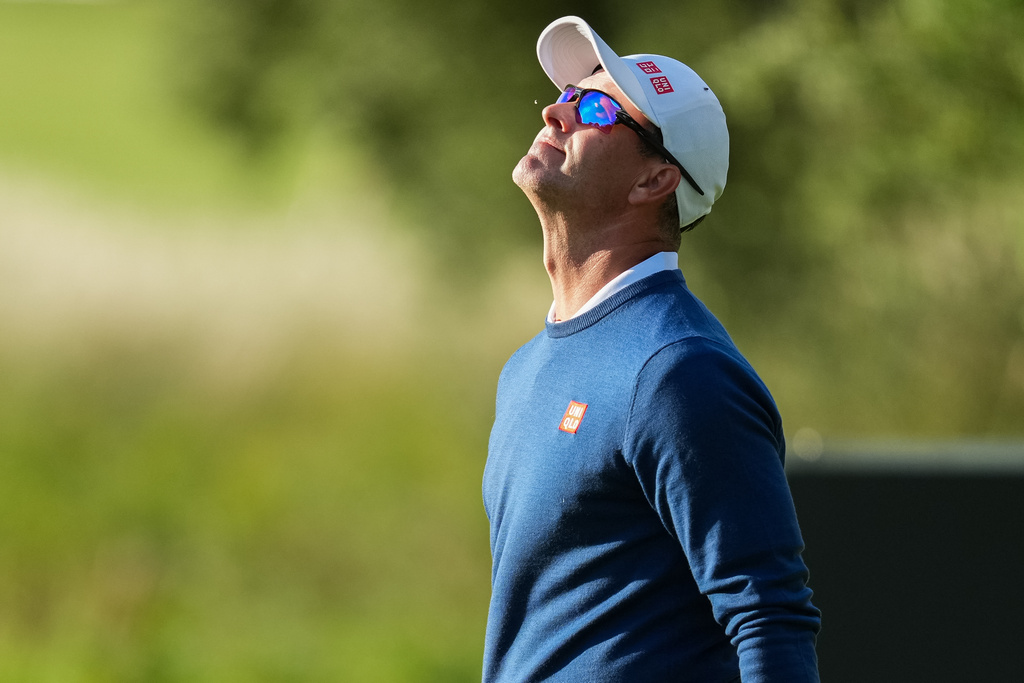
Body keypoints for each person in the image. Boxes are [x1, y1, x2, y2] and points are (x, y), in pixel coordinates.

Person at [482, 16, 821, 683]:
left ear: (653, 183)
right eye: (569, 94)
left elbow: (770, 621)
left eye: (597, 108)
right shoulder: (525, 367)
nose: (557, 112)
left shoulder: (680, 371)